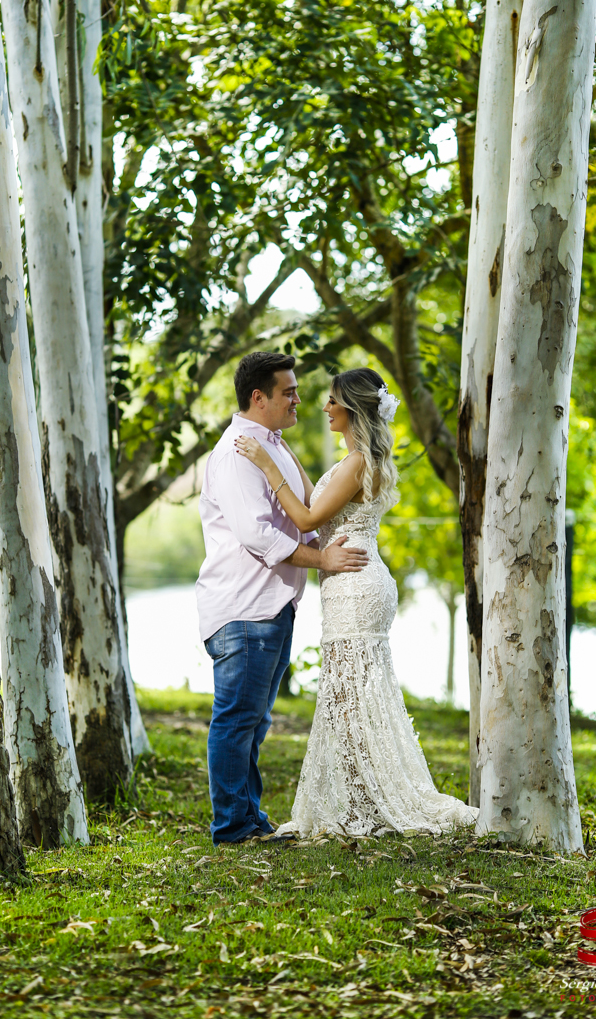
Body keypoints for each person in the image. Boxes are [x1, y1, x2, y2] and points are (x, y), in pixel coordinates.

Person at [235, 366, 479, 839]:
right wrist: (283, 455)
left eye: (330, 400)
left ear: (350, 407)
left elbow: (306, 516)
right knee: (352, 696)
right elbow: (315, 500)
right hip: (356, 578)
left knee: (350, 698)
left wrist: (267, 465)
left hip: (354, 582)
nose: (323, 407)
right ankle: (362, 797)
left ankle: (370, 801)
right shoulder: (351, 460)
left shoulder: (358, 461)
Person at [196, 351, 370, 846]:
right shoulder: (236, 453)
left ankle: (248, 817)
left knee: (255, 719)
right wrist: (323, 562)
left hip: (271, 605)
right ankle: (232, 826)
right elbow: (257, 534)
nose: (300, 399)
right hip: (244, 608)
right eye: (289, 391)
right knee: (236, 720)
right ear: (259, 397)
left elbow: (303, 514)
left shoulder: (270, 446)